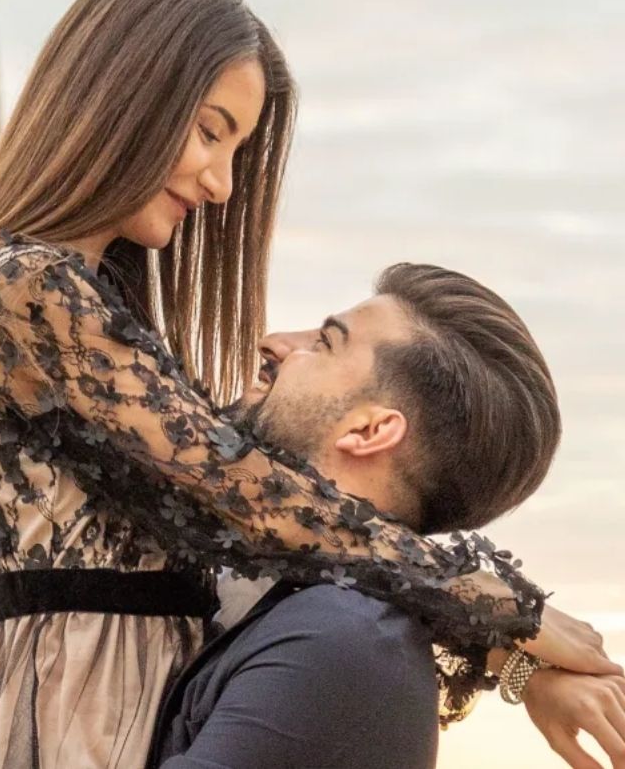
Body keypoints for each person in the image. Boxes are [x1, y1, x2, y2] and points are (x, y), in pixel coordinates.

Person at [0, 0, 615, 769]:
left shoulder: (73, 310)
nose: (222, 184)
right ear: (126, 95)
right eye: (211, 131)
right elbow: (260, 501)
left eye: (235, 147)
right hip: (65, 713)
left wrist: (515, 660)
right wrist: (510, 614)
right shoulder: (30, 290)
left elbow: (290, 532)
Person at [147, 263, 625, 768]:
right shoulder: (288, 603)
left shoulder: (340, 642)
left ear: (370, 430)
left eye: (327, 342)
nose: (274, 341)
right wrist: (518, 666)